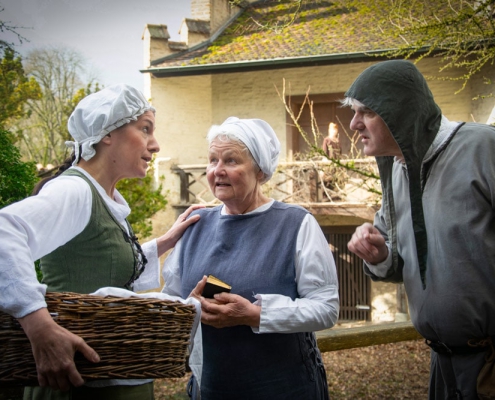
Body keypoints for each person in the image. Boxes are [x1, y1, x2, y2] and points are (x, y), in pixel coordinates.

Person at [0, 84, 203, 399]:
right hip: (78, 382)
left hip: (112, 376)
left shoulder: (105, 198)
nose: (156, 144)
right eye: (145, 129)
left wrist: (165, 242)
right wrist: (39, 327)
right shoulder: (76, 191)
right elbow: (4, 231)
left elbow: (102, 268)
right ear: (107, 133)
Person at [345, 60, 495, 399]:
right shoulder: (398, 171)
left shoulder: (483, 148)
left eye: (366, 112)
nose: (353, 124)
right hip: (442, 366)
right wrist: (379, 252)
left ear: (401, 111)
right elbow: (401, 264)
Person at [161, 116, 340, 400]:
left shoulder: (296, 224)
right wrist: (189, 308)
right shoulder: (194, 226)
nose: (217, 170)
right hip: (211, 389)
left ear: (260, 170)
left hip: (283, 390)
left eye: (231, 161)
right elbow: (169, 299)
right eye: (212, 160)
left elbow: (326, 308)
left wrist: (256, 315)